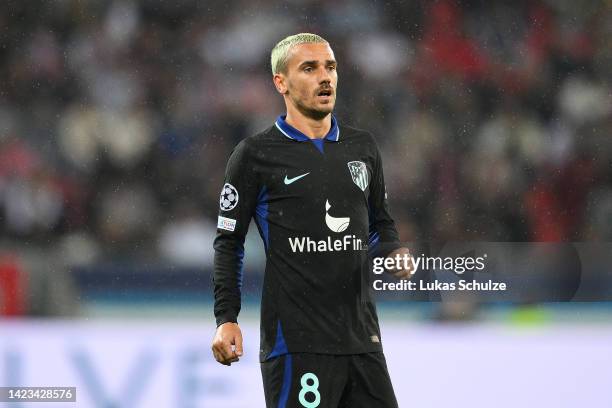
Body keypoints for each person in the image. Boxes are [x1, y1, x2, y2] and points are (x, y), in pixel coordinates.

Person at [212, 33, 412, 408]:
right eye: (310, 68)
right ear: (281, 83)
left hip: (362, 340)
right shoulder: (255, 155)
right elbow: (229, 242)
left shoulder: (362, 147)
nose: (325, 77)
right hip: (297, 344)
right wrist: (226, 317)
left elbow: (379, 223)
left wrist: (392, 250)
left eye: (330, 67)